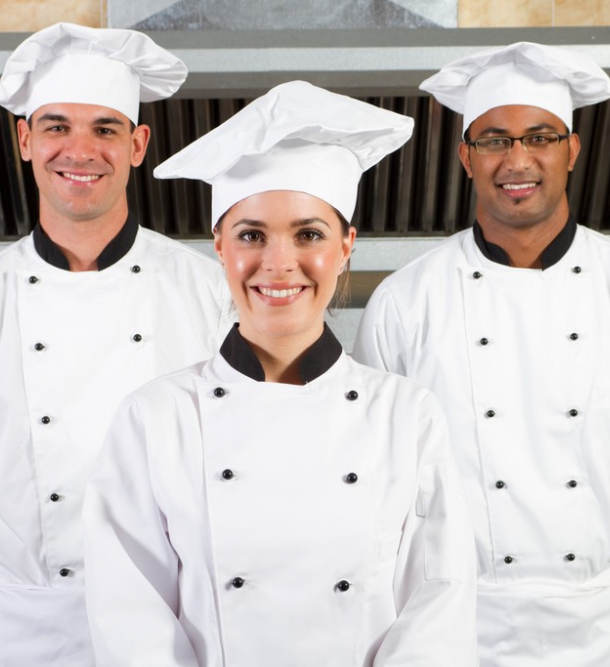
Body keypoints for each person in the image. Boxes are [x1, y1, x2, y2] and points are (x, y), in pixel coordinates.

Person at [82, 80, 478, 666]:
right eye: (251, 235)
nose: (278, 263)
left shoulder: (406, 415)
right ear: (218, 245)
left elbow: (440, 600)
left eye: (309, 234)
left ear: (346, 245)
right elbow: (129, 613)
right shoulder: (156, 417)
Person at [353, 42, 610, 667]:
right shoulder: (404, 302)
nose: (517, 160)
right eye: (494, 140)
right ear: (466, 157)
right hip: (459, 624)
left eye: (540, 137)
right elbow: (377, 462)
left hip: (604, 627)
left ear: (571, 151)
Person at [0, 22, 232, 666]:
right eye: (56, 125)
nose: (80, 149)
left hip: (174, 619)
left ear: (137, 145)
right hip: (30, 626)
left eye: (105, 129)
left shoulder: (209, 293)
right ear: (24, 139)